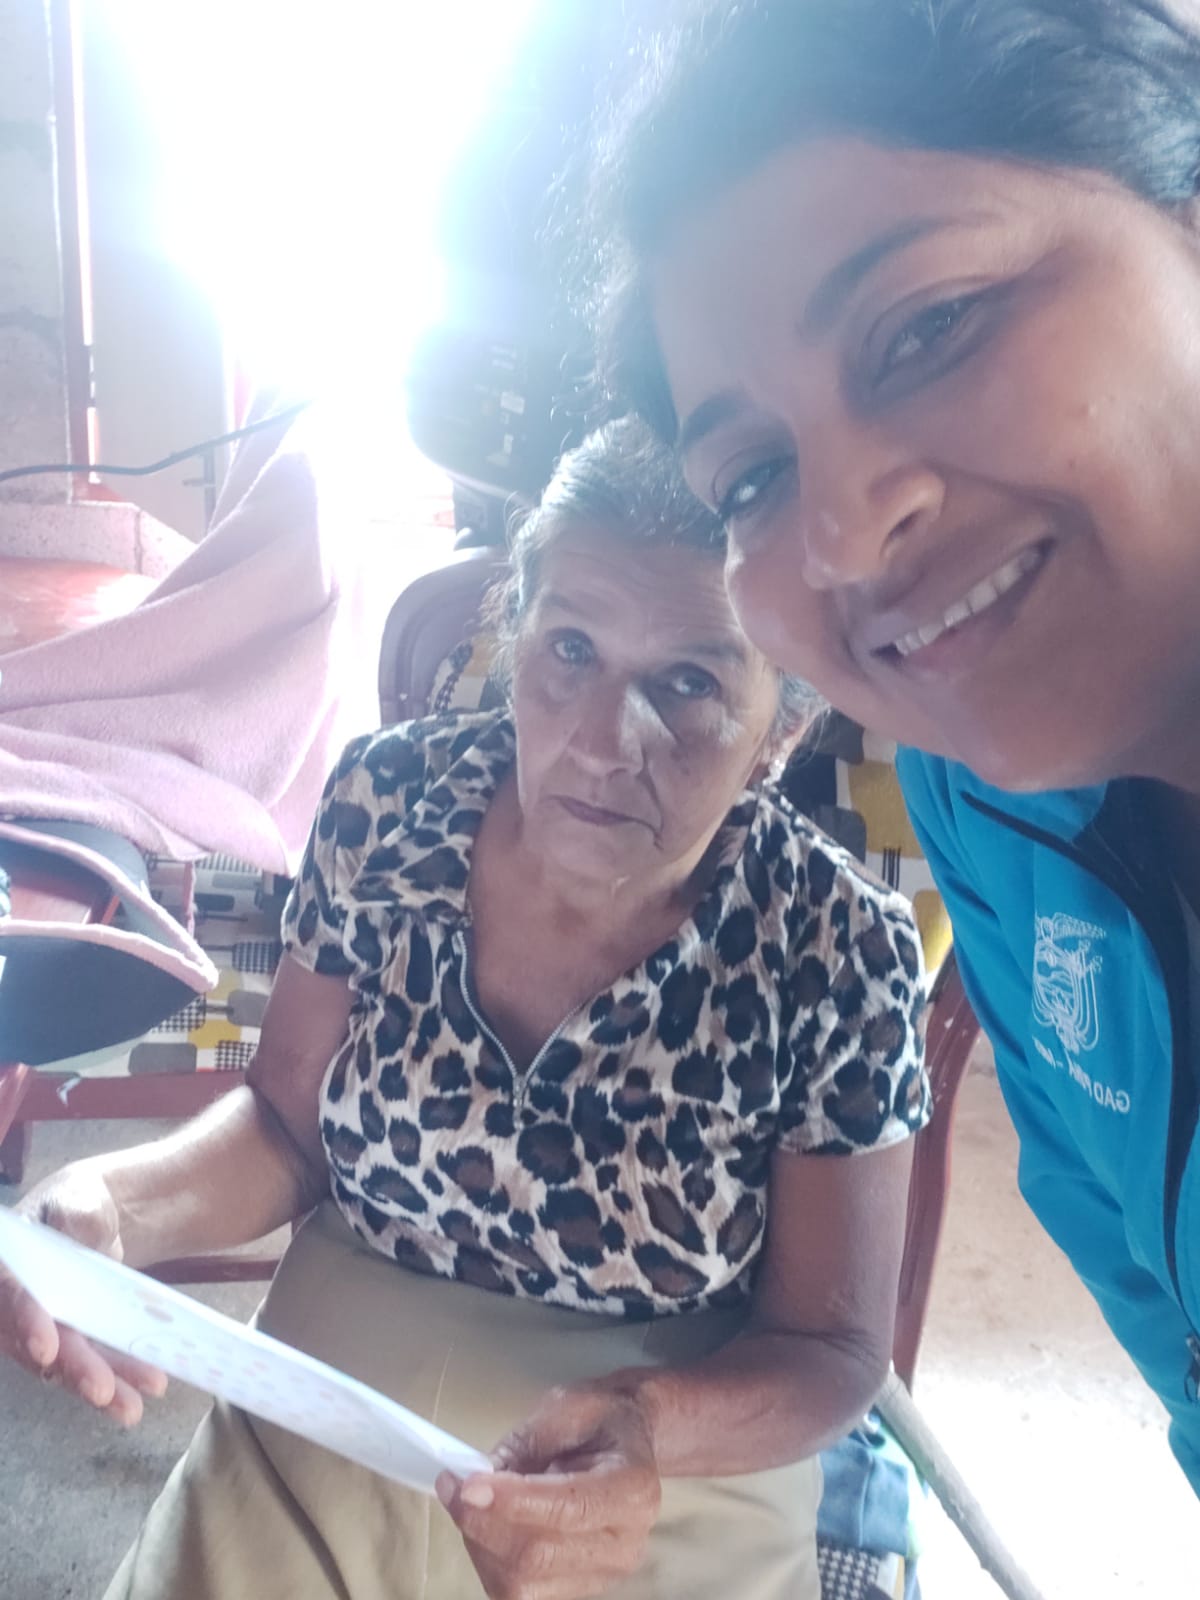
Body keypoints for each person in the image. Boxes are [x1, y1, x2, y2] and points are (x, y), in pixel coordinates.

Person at [0, 418, 929, 1600]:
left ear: (781, 728)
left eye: (691, 683)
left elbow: (833, 1349)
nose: (602, 742)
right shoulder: (388, 803)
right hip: (337, 1401)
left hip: (660, 1459)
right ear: (515, 633)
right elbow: (285, 1126)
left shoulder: (837, 948)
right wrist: (113, 1206)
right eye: (572, 650)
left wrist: (647, 1422)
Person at [590, 0, 1200, 1498]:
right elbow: (1143, 1278)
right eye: (753, 475)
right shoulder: (981, 805)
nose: (846, 534)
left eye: (930, 325)